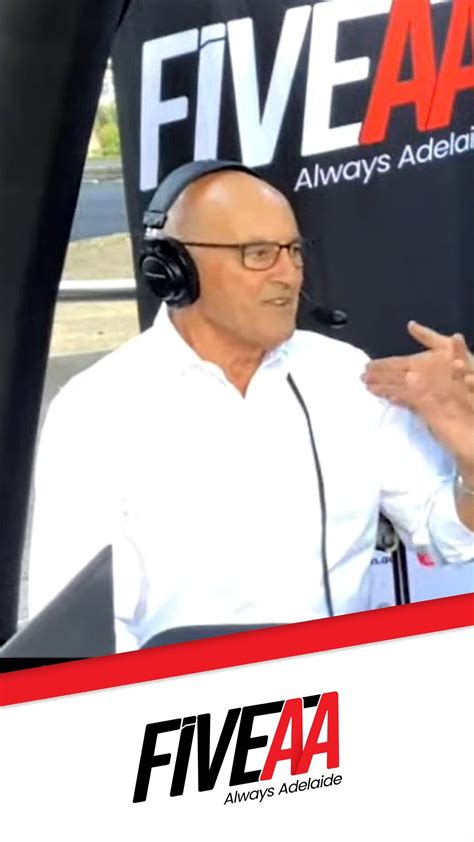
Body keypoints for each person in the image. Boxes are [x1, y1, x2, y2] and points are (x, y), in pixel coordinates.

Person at [28, 160, 474, 652]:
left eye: (293, 251)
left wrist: (471, 458)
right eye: (258, 254)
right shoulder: (95, 410)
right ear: (175, 269)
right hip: (179, 697)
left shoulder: (344, 375)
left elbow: (448, 537)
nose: (289, 275)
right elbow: (77, 637)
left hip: (341, 689)